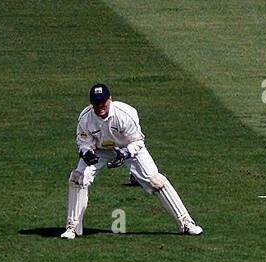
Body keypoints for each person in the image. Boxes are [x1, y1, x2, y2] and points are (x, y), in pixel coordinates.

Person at [61, 83, 202, 239]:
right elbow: (83, 142)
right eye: (96, 103)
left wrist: (125, 154)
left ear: (110, 100)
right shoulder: (85, 117)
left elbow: (138, 142)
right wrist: (87, 153)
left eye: (103, 102)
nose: (100, 106)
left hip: (128, 147)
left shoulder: (125, 114)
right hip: (101, 150)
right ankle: (73, 228)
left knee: (156, 181)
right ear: (91, 103)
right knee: (78, 178)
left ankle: (186, 223)